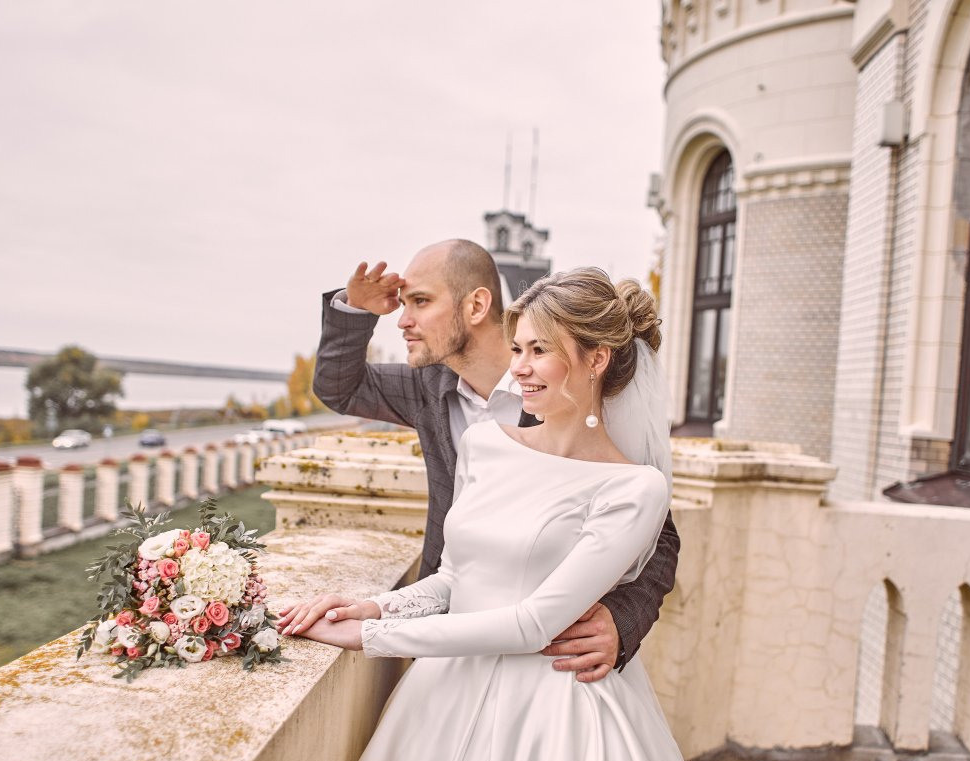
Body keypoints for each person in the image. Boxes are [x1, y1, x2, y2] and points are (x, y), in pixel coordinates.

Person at [291, 268, 723, 761]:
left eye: (539, 351)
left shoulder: (635, 487)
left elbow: (537, 623)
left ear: (596, 360)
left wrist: (371, 636)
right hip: (440, 694)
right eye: (517, 349)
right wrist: (374, 607)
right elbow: (453, 577)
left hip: (552, 713)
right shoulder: (483, 442)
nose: (519, 367)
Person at [279, 239, 680, 682]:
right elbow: (341, 387)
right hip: (442, 647)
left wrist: (622, 622)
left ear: (476, 306)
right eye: (520, 350)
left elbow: (657, 537)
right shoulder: (428, 390)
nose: (402, 320)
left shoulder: (574, 399)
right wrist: (355, 309)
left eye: (420, 301)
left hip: (548, 671)